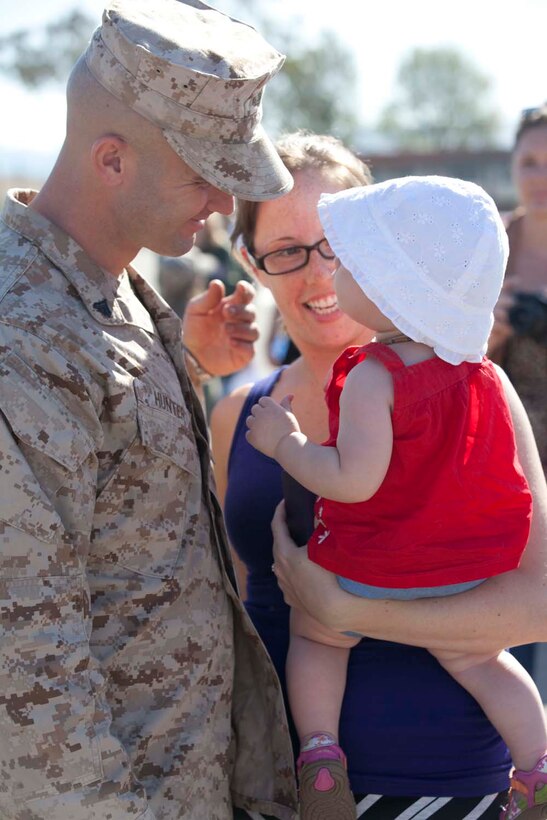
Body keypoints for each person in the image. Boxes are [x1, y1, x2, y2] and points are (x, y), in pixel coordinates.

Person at [0, 1, 299, 818]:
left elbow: (120, 510)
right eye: (203, 172)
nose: (222, 202)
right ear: (110, 161)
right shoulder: (20, 338)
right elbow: (25, 658)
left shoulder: (108, 289)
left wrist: (195, 371)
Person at [210, 136, 543, 820]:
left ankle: (322, 751)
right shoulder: (235, 412)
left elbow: (540, 600)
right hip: (261, 779)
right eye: (286, 249)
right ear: (251, 261)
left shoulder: (464, 386)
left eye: (336, 247)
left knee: (320, 634)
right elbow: (227, 601)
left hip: (444, 777)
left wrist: (344, 610)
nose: (321, 273)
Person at [488, 104, 547, 678]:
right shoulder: (489, 243)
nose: (539, 176)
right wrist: (487, 334)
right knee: (510, 643)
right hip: (504, 470)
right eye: (529, 161)